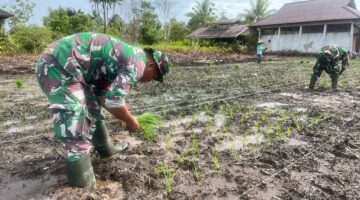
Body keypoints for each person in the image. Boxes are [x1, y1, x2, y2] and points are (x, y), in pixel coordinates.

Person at [35, 32, 169, 189]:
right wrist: (131, 120)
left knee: (93, 110)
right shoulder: (137, 63)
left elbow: (102, 96)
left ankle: (106, 150)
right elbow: (114, 102)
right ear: (152, 66)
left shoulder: (129, 58)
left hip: (75, 70)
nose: (149, 81)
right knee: (75, 126)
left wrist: (121, 114)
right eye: (154, 77)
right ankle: (83, 188)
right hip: (58, 65)